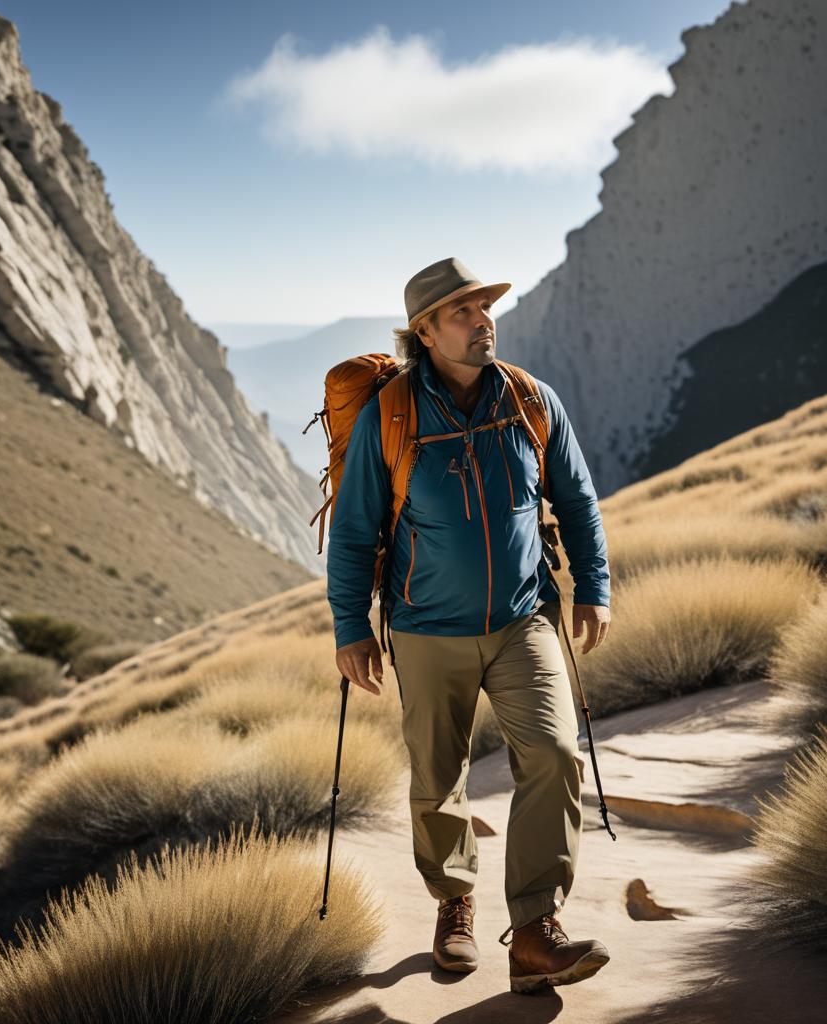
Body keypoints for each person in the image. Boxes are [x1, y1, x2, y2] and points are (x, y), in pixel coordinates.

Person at [325, 256, 613, 994]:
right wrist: (350, 627)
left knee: (553, 753)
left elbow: (575, 499)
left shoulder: (528, 400)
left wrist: (594, 586)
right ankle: (455, 904)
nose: (483, 320)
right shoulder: (392, 414)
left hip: (523, 620)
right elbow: (356, 530)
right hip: (425, 628)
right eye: (463, 312)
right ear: (424, 330)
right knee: (436, 780)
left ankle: (535, 931)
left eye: (485, 308)